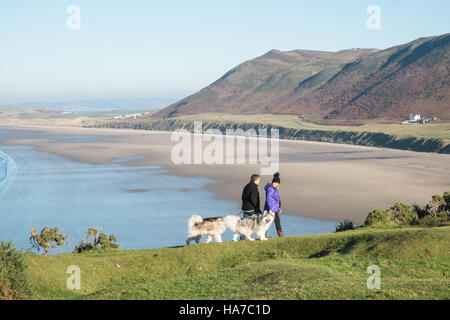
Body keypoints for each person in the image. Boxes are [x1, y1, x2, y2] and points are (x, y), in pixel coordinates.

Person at [264, 172, 285, 237]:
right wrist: (275, 209)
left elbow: (277, 200)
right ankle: (264, 234)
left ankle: (280, 234)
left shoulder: (274, 189)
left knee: (277, 221)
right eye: (276, 183)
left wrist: (278, 208)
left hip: (274, 208)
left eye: (278, 183)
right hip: (271, 209)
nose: (277, 185)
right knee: (268, 221)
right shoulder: (270, 189)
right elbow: (269, 200)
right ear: (274, 182)